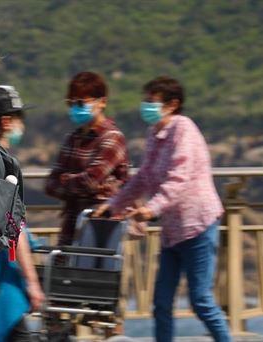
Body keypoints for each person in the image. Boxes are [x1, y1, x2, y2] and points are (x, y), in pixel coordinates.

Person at [95, 76, 232, 342]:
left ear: (172, 104)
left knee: (201, 300)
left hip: (198, 225)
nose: (145, 105)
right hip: (173, 230)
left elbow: (180, 177)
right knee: (161, 303)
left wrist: (151, 209)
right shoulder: (155, 134)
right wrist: (113, 204)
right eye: (145, 99)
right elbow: (144, 177)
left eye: (151, 100)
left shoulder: (184, 130)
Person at [0, 85, 45, 342]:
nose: (21, 126)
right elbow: (15, 229)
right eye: (20, 119)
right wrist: (32, 282)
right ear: (6, 121)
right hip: (1, 272)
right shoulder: (5, 164)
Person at [45, 71, 129, 247]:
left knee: (92, 273)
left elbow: (90, 180)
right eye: (71, 103)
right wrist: (89, 186)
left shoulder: (112, 138)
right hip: (71, 224)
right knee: (64, 271)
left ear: (102, 102)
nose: (76, 107)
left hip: (100, 225)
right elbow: (50, 184)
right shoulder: (72, 138)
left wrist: (66, 182)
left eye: (82, 102)